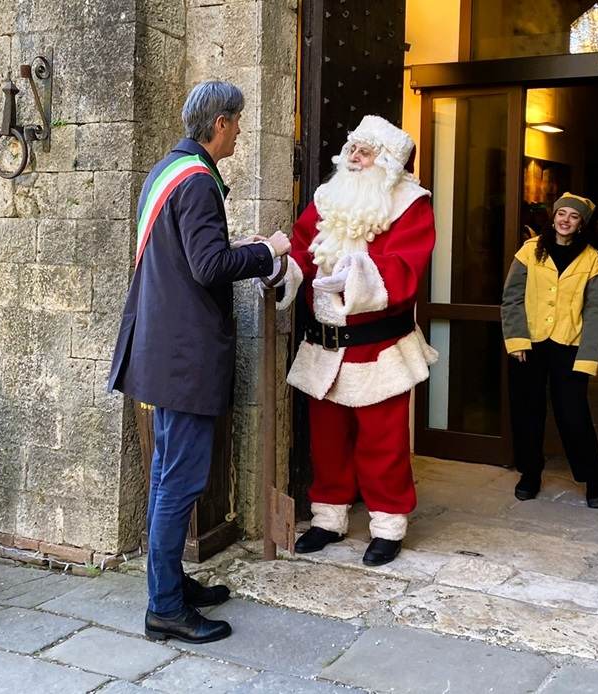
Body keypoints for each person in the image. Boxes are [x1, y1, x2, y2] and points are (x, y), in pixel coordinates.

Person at [106, 80, 291, 644]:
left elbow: (185, 262)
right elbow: (209, 265)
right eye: (237, 121)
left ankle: (172, 584)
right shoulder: (197, 183)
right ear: (220, 123)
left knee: (169, 477)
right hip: (183, 359)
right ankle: (164, 606)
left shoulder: (166, 171)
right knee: (178, 483)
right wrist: (268, 251)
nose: (240, 131)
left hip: (162, 350)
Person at [269, 115, 437, 567]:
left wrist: (356, 274)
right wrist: (282, 268)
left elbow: (407, 268)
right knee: (327, 440)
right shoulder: (328, 196)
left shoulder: (410, 203)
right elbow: (303, 248)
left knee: (382, 442)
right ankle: (328, 518)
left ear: (386, 161)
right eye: (352, 149)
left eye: (364, 151)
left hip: (378, 347)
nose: (353, 157)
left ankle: (387, 523)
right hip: (324, 345)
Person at [501, 193, 598, 508]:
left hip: (569, 346)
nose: (565, 220)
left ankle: (593, 478)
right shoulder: (529, 251)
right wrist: (517, 340)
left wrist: (589, 356)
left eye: (573, 216)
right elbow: (511, 298)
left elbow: (595, 311)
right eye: (561, 213)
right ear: (553, 217)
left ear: (581, 224)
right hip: (530, 346)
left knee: (574, 415)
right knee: (527, 412)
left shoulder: (591, 258)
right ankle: (530, 473)